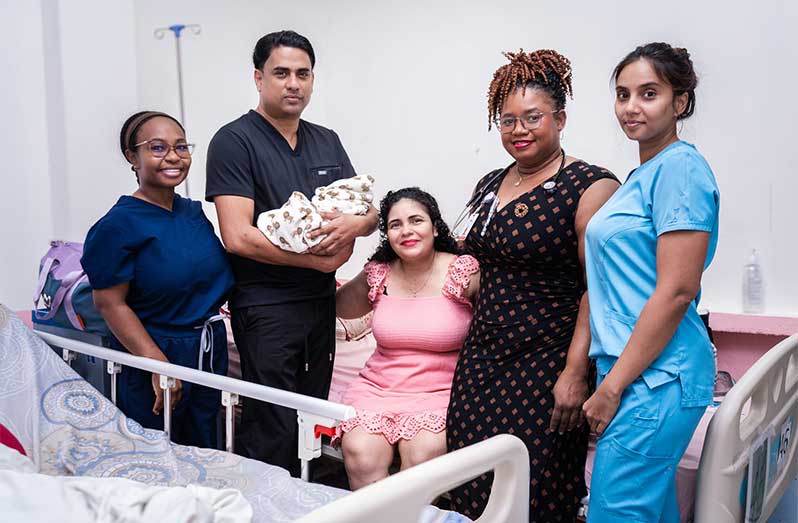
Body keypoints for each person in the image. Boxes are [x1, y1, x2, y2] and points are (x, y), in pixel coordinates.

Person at [446, 49, 620, 521]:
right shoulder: (489, 183)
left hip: (546, 362)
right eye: (507, 121)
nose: (519, 130)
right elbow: (485, 259)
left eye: (532, 117)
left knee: (537, 486)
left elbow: (598, 287)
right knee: (470, 478)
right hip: (481, 358)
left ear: (560, 119)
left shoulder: (591, 186)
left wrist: (574, 371)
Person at [205, 30, 377, 476]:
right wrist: (317, 261)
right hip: (265, 304)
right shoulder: (234, 141)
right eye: (281, 73)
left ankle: (309, 502)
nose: (293, 83)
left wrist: (359, 225)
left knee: (312, 416)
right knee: (273, 421)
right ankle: (266, 504)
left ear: (313, 80)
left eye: (302, 74)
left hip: (320, 301)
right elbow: (238, 236)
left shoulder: (326, 140)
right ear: (259, 78)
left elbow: (367, 209)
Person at [582, 43, 720, 523]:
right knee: (651, 512)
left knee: (614, 513)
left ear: (679, 102)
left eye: (648, 93)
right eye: (623, 95)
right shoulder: (647, 174)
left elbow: (678, 290)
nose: (631, 107)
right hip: (638, 371)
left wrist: (613, 386)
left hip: (654, 377)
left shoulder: (679, 168)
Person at [82, 111, 234, 448]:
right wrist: (156, 363)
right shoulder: (117, 225)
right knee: (157, 452)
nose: (173, 157)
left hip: (206, 349)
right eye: (157, 148)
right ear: (131, 157)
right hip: (154, 351)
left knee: (207, 447)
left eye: (181, 147)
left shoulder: (192, 212)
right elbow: (109, 303)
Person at [334, 188, 479, 490]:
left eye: (416, 220)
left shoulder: (463, 270)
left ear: (435, 227)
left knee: (422, 455)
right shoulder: (379, 274)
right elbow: (336, 307)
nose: (407, 231)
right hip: (378, 388)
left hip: (442, 391)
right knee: (361, 454)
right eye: (395, 224)